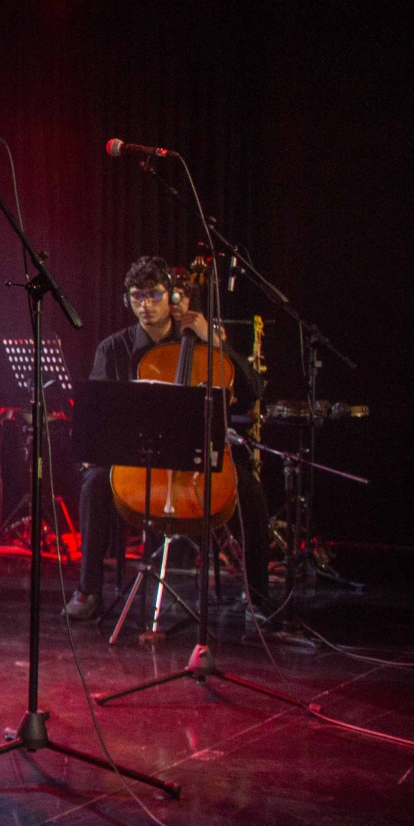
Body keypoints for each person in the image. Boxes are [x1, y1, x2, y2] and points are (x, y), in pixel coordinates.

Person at [61, 256, 273, 621]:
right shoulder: (113, 348)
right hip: (136, 455)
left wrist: (215, 342)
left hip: (194, 455)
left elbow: (254, 389)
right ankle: (88, 591)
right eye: (137, 296)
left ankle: (258, 596)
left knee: (250, 491)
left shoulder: (202, 343)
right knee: (94, 482)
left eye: (154, 295)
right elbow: (98, 414)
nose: (145, 304)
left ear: (172, 297)